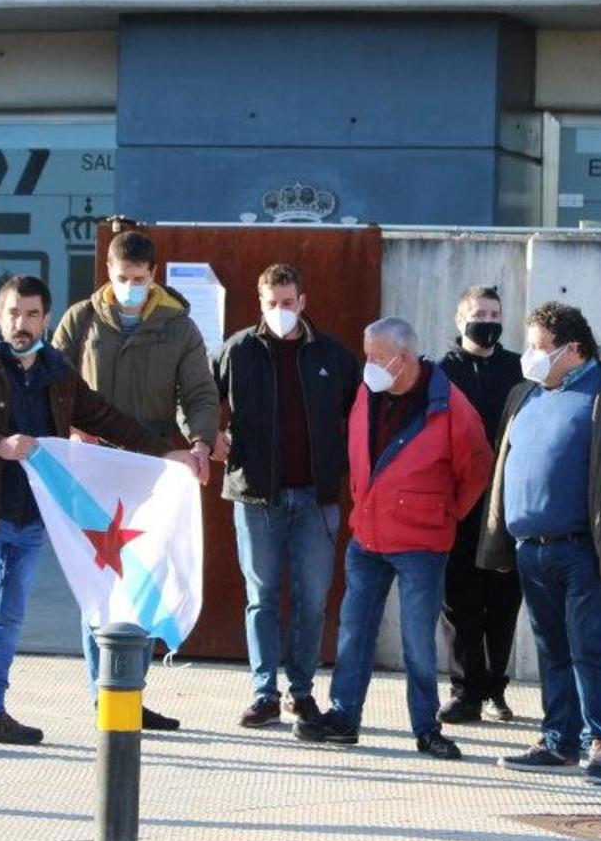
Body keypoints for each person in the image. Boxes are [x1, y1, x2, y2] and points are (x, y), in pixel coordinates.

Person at [0, 274, 194, 751]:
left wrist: (161, 453)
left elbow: (104, 416)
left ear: (46, 318)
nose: (20, 324)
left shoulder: (57, 370)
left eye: (30, 315)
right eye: (12, 313)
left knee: (9, 615)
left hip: (30, 516)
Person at [479, 302, 601, 786]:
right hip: (531, 547)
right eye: (531, 345)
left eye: (541, 347)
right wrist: (499, 543)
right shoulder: (525, 395)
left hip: (586, 547)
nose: (531, 355)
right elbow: (506, 468)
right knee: (551, 648)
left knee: (588, 645)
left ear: (574, 349)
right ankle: (558, 741)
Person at [296, 317, 493, 759]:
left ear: (402, 358)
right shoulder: (369, 392)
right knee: (354, 632)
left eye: (374, 356)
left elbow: (476, 468)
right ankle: (344, 718)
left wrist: (444, 513)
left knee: (417, 642)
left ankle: (426, 728)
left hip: (421, 544)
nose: (367, 364)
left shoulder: (451, 407)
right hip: (367, 538)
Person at [52, 228, 223, 730]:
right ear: (108, 271)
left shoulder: (178, 327)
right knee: (100, 578)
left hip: (150, 466)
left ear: (154, 276)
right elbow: (52, 383)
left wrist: (199, 443)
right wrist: (68, 435)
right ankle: (102, 692)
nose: (130, 287)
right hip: (93, 466)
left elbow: (199, 393)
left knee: (146, 578)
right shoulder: (80, 321)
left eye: (140, 279)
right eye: (122, 277)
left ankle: (131, 686)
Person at [212, 263, 361, 729]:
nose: (281, 311)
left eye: (288, 302)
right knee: (262, 596)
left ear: (303, 302)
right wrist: (204, 437)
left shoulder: (332, 355)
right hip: (257, 497)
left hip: (317, 499)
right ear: (260, 304)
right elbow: (194, 398)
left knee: (313, 598)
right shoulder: (237, 351)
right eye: (272, 304)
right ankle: (264, 693)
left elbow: (359, 418)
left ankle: (301, 691)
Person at [437, 286, 526, 724]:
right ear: (460, 320)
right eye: (479, 313)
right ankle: (463, 690)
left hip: (509, 507)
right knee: (459, 603)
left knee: (504, 603)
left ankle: (495, 690)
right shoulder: (440, 372)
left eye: (495, 312)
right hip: (459, 505)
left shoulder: (519, 369)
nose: (488, 321)